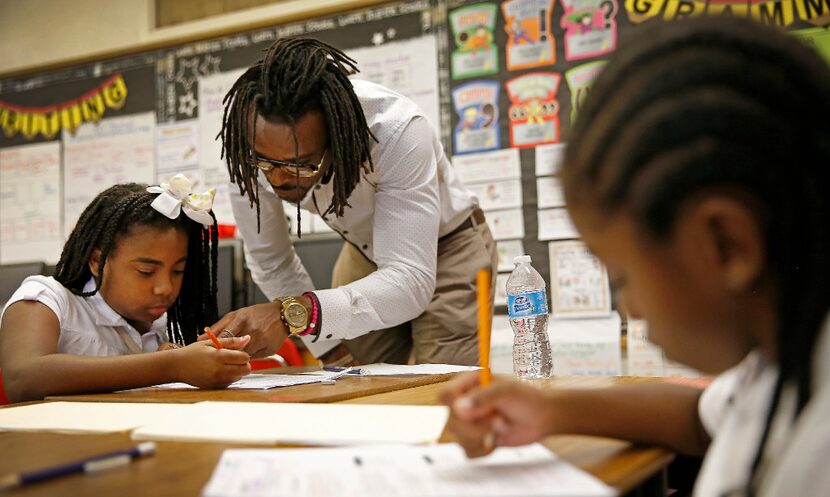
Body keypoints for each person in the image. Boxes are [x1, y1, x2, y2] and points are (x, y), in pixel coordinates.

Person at [440, 17, 830, 497]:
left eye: (622, 277)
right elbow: (698, 417)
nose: (629, 309)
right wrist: (550, 410)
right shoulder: (782, 357)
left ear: (727, 244)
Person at [211, 37, 497, 367]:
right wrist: (325, 348)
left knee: (440, 387)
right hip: (363, 248)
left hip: (449, 244)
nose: (278, 179)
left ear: (337, 138)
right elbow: (271, 260)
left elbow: (409, 279)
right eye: (266, 164)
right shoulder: (246, 147)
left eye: (301, 164)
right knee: (355, 379)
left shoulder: (395, 130)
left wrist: (294, 314)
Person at [0, 175, 251, 402]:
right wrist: (170, 366)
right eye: (146, 272)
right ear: (98, 262)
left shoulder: (161, 326)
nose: (165, 288)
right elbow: (23, 378)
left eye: (178, 271)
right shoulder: (46, 299)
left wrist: (178, 354)